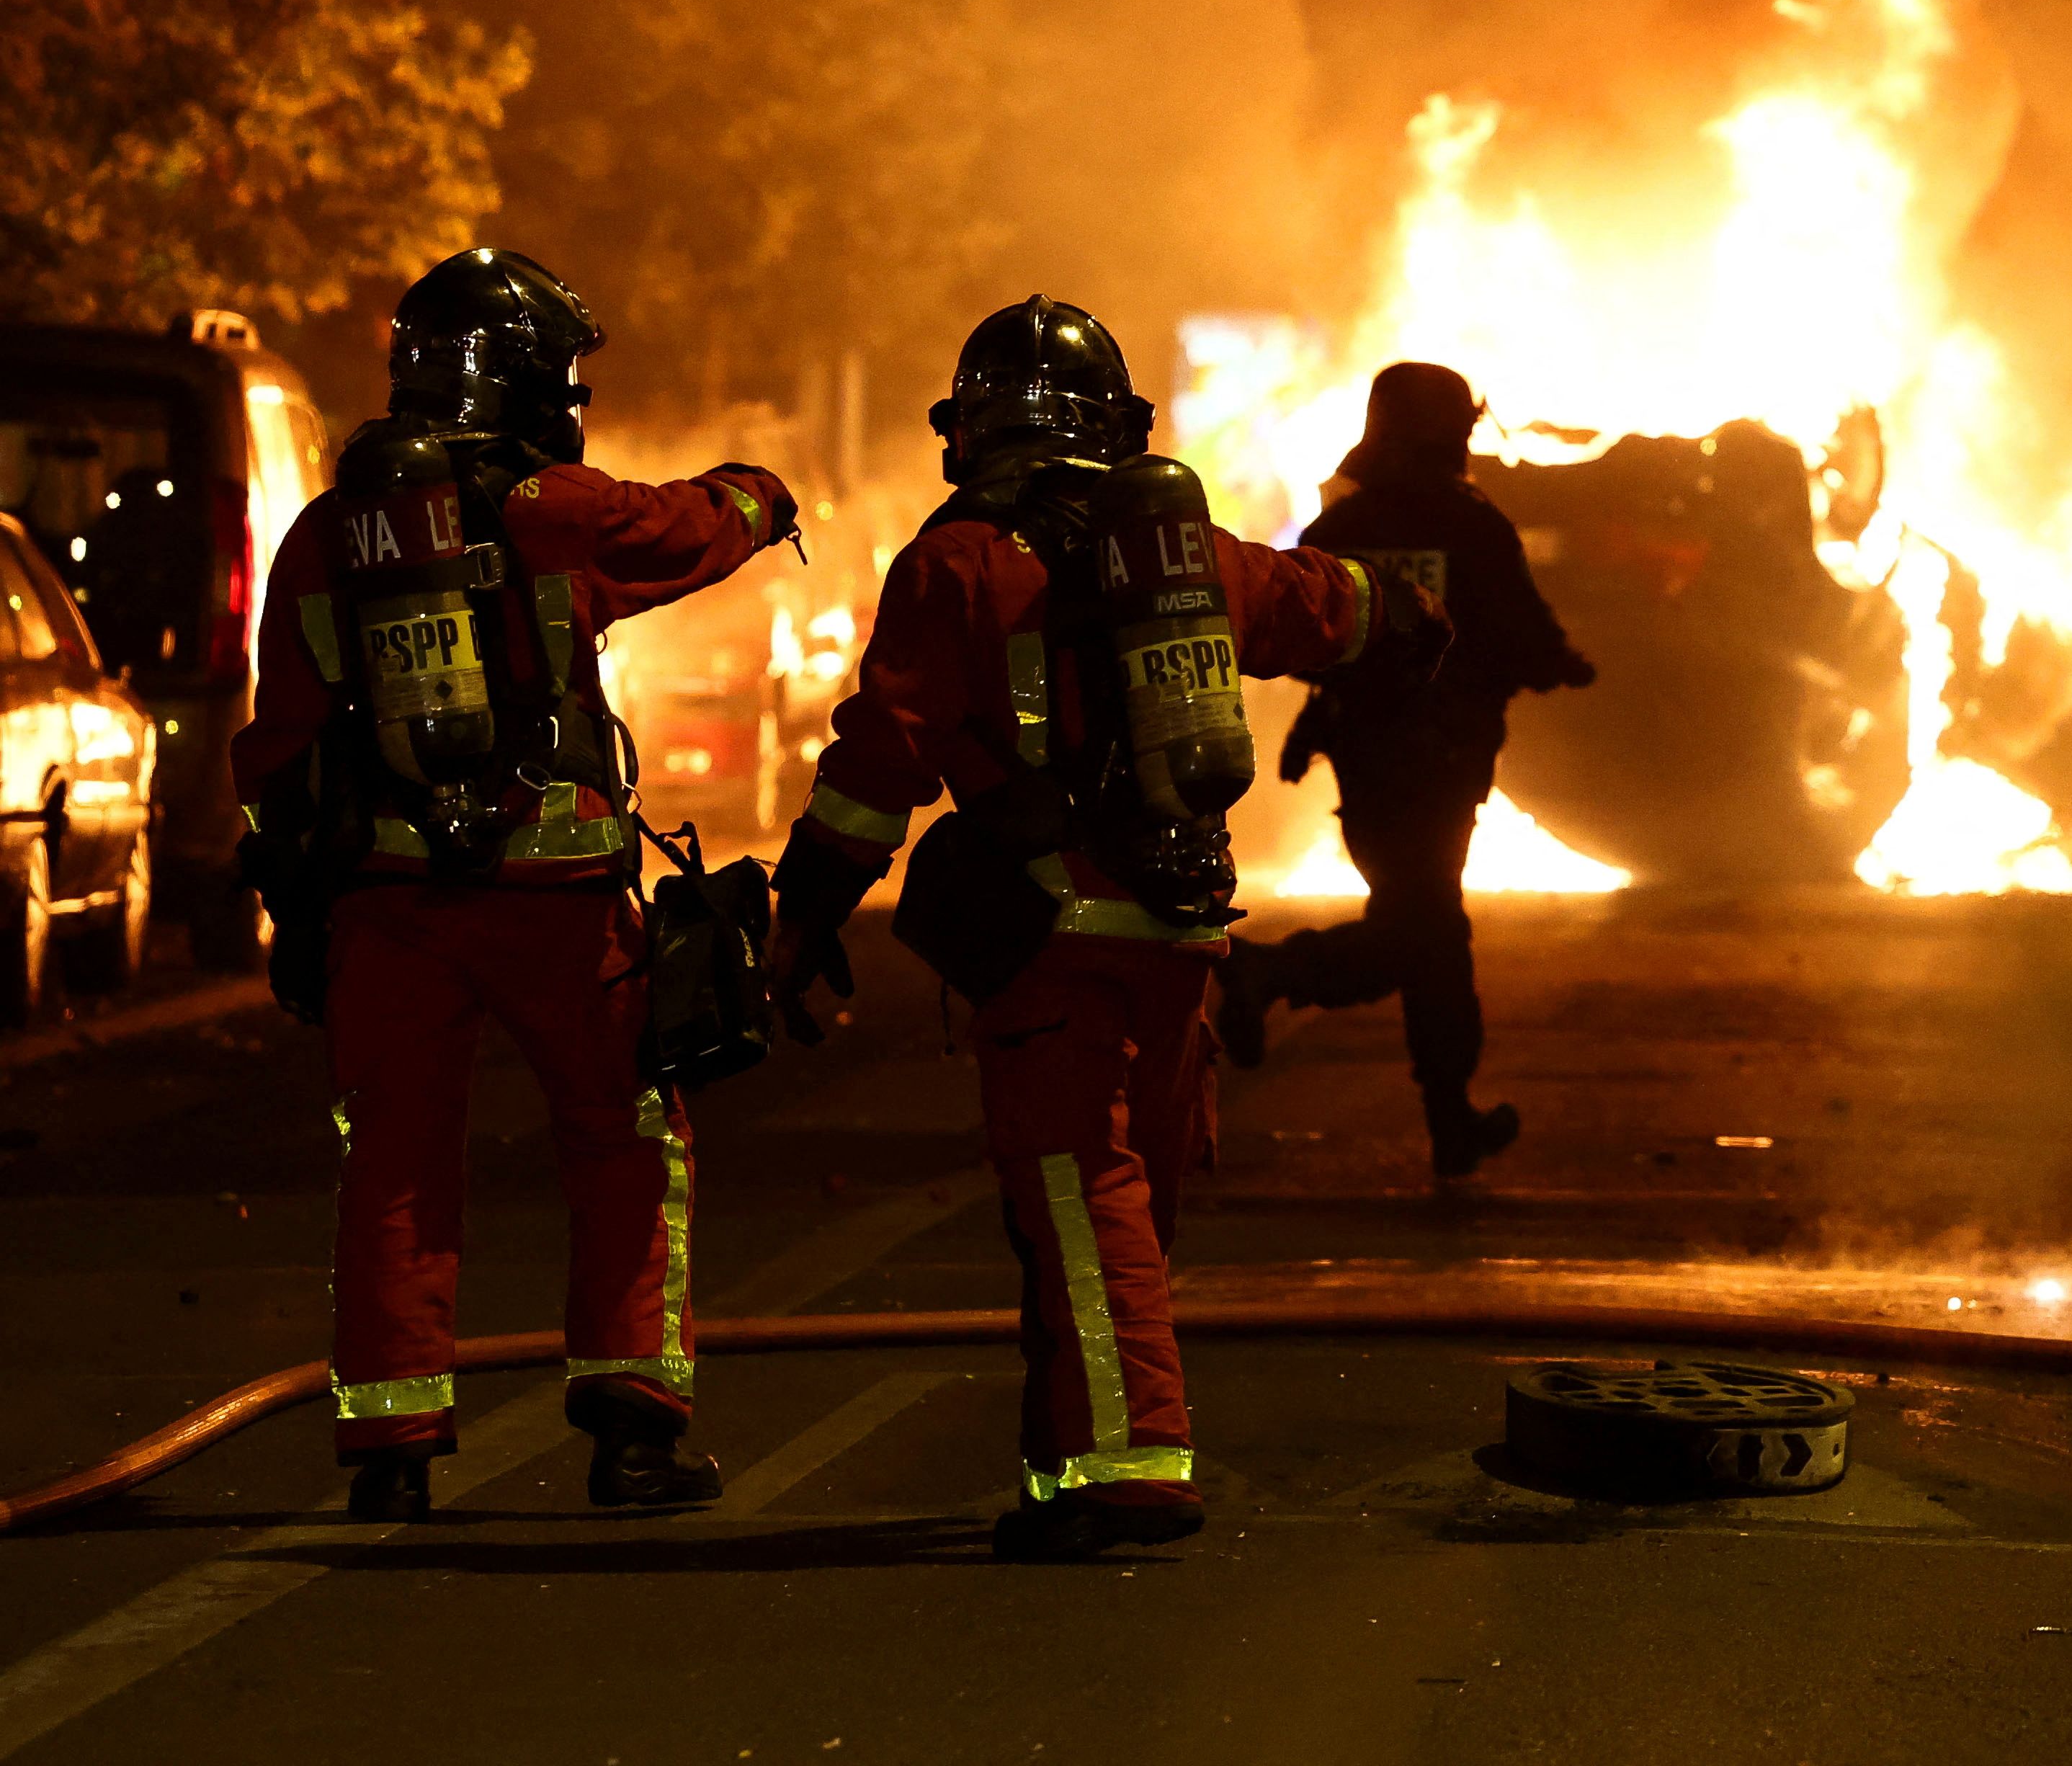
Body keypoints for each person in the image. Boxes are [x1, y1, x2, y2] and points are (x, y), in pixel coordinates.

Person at [763, 297, 1441, 1564]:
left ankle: (1124, 1465)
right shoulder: (1190, 558)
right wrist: (1409, 618)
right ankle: (1069, 1449)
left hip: (1051, 932)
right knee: (1132, 1198)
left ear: (969, 430)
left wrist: (806, 905)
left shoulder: (956, 562)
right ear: (1116, 425)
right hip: (1182, 927)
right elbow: (1333, 605)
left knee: (1082, 1195)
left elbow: (881, 761)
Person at [231, 248, 796, 1523]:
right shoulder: (551, 506)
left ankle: (390, 1449)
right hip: (560, 897)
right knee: (625, 1141)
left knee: (395, 1163)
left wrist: (294, 906)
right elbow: (689, 528)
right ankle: (632, 1433)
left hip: (384, 903)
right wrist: (760, 491)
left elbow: (278, 742)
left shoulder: (327, 537)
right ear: (533, 379)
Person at [1213, 362, 1595, 1178]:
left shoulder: (1342, 530)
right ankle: (1277, 972)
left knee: (1424, 923)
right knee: (1425, 931)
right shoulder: (1474, 526)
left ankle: (1450, 1117)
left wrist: (1318, 721)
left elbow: (1310, 639)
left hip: (1366, 761)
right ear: (1448, 432)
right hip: (1443, 760)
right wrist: (1566, 663)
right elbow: (1520, 631)